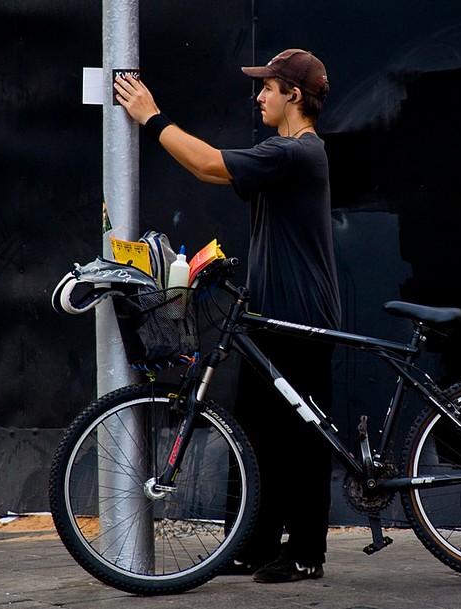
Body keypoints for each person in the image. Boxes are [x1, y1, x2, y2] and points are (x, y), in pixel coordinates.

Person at [114, 48, 341, 584]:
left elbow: (208, 164)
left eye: (268, 87)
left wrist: (152, 116)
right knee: (257, 431)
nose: (258, 96)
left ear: (294, 95)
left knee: (300, 438)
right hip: (268, 316)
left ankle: (306, 553)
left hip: (300, 318)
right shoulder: (283, 152)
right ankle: (255, 544)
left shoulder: (297, 153)